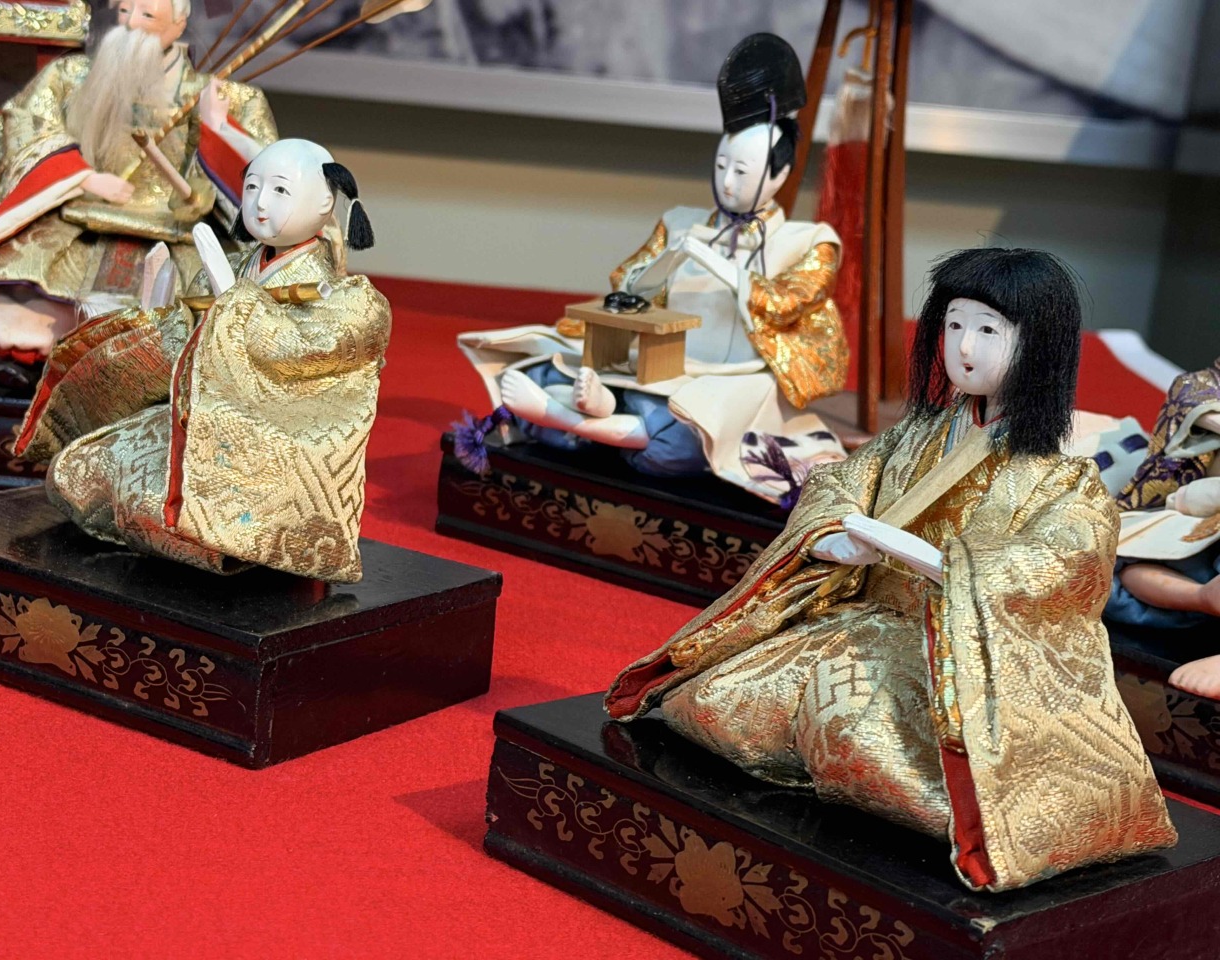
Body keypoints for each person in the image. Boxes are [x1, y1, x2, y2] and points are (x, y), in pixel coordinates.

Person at [604, 247, 1176, 892]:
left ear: (1038, 344)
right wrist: (834, 538)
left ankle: (972, 809)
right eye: (954, 325)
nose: (964, 347)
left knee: (858, 737)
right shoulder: (919, 432)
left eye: (988, 330)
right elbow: (841, 481)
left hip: (950, 654)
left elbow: (1061, 566)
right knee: (717, 702)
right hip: (862, 621)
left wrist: (944, 566)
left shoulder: (1063, 478)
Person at [456, 33, 847, 504]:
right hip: (655, 363)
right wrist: (672, 257)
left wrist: (721, 266)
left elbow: (788, 302)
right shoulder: (681, 222)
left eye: (741, 171)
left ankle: (572, 421)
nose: (726, 181)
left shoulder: (810, 241)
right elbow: (626, 285)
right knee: (543, 368)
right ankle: (602, 413)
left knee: (692, 433)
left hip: (732, 376)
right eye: (721, 164)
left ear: (779, 174)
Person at [15, 139, 389, 583]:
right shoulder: (230, 266)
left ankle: (226, 539)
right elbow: (184, 343)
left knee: (167, 507)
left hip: (269, 444)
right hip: (195, 419)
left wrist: (237, 306)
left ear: (325, 202)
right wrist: (160, 317)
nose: (260, 203)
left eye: (280, 190)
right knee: (79, 472)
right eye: (252, 187)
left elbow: (292, 358)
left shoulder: (351, 304)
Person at [0, 0, 277, 383]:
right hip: (80, 223)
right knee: (21, 302)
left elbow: (265, 179)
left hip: (170, 236)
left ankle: (127, 377)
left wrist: (220, 128)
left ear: (179, 23)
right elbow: (28, 126)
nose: (131, 23)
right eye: (124, 11)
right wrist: (83, 178)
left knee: (176, 317)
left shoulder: (223, 96)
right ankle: (44, 367)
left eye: (147, 15)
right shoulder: (70, 76)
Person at [1105, 359, 1220, 697]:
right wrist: (1202, 597)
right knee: (1120, 560)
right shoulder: (1203, 384)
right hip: (1194, 516)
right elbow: (1192, 399)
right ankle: (1201, 597)